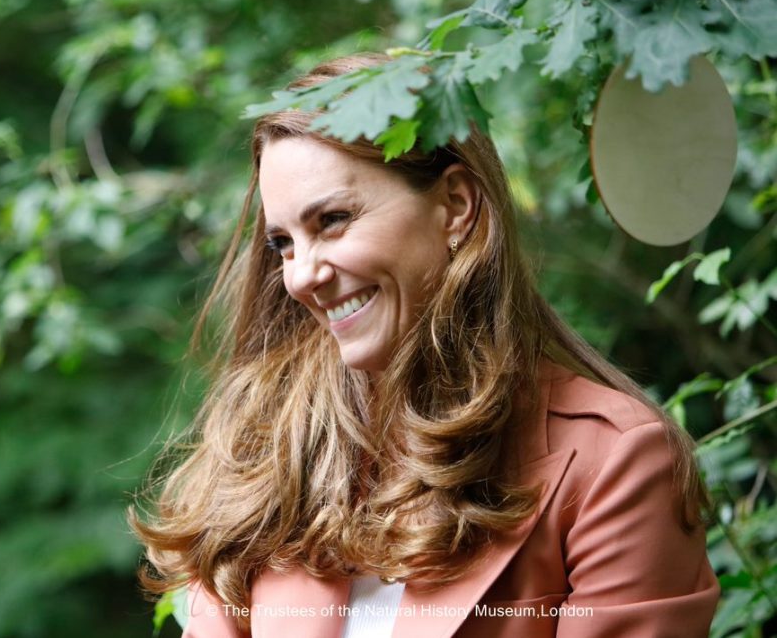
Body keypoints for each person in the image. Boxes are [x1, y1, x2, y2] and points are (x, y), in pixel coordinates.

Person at [132, 53, 719, 637]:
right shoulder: (266, 452)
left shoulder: (614, 462)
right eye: (283, 243)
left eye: (333, 220)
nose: (302, 274)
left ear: (456, 207)